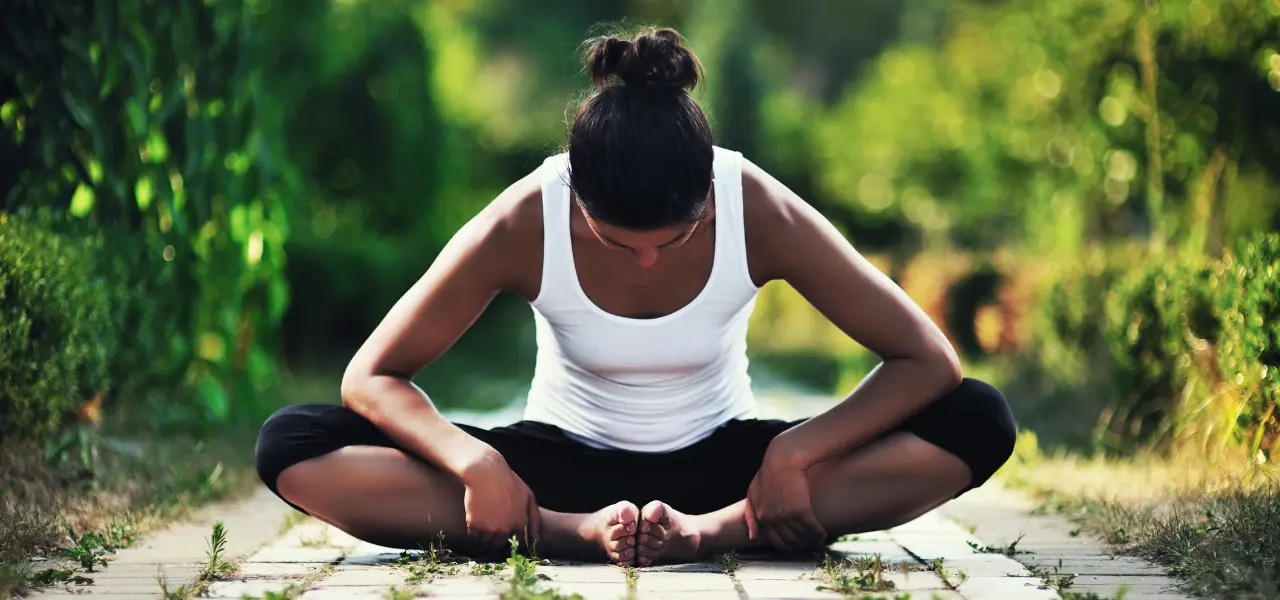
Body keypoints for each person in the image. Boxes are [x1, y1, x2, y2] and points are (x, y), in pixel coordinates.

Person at [254, 27, 1016, 568]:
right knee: (291, 444)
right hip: (555, 471)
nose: (648, 258)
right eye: (620, 241)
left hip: (731, 470)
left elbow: (927, 361)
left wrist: (796, 452)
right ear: (574, 193)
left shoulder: (754, 204)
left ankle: (720, 531)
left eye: (676, 237)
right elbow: (371, 378)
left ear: (706, 193)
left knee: (979, 418)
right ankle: (562, 533)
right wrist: (476, 464)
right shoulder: (526, 216)